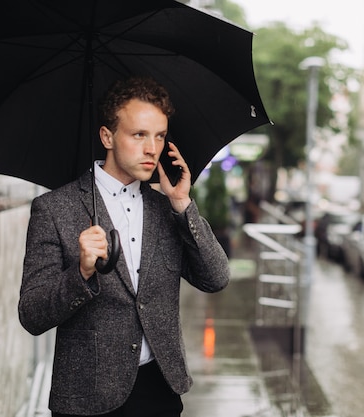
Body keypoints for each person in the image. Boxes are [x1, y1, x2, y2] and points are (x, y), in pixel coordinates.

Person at [18, 76, 230, 417]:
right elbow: (31, 314)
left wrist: (183, 205)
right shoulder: (56, 209)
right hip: (88, 397)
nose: (152, 148)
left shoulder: (167, 210)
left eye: (160, 136)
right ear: (107, 137)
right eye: (139, 135)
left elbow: (216, 278)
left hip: (161, 388)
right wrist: (82, 272)